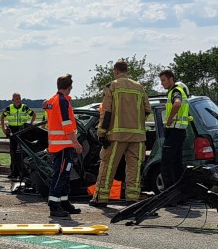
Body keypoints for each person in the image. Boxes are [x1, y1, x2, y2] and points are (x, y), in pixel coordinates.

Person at [91, 60, 149, 205]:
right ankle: (132, 198)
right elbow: (147, 109)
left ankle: (101, 198)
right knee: (134, 168)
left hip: (116, 135)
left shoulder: (112, 86)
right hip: (138, 136)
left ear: (116, 71)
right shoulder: (139, 87)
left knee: (108, 166)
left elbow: (107, 112)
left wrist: (101, 133)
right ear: (126, 71)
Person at [44, 75, 83, 217]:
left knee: (65, 175)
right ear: (70, 87)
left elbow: (46, 105)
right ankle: (54, 206)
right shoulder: (62, 102)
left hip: (60, 145)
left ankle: (64, 202)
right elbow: (66, 125)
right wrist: (76, 143)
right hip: (63, 146)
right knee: (60, 175)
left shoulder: (53, 100)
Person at [157, 69, 190, 190]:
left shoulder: (175, 91)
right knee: (177, 164)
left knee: (166, 164)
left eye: (164, 80)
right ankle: (179, 192)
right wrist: (167, 106)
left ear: (171, 79)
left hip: (174, 130)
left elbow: (177, 104)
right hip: (179, 131)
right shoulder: (176, 91)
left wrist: (170, 118)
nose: (162, 83)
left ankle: (169, 194)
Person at [0, 93, 36, 186]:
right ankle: (14, 172)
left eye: (19, 98)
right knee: (13, 152)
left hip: (22, 131)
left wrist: (30, 125)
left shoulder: (24, 107)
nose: (18, 100)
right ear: (13, 100)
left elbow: (34, 114)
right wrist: (3, 128)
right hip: (12, 131)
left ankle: (23, 172)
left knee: (22, 152)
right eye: (16, 99)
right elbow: (2, 117)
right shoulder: (9, 108)